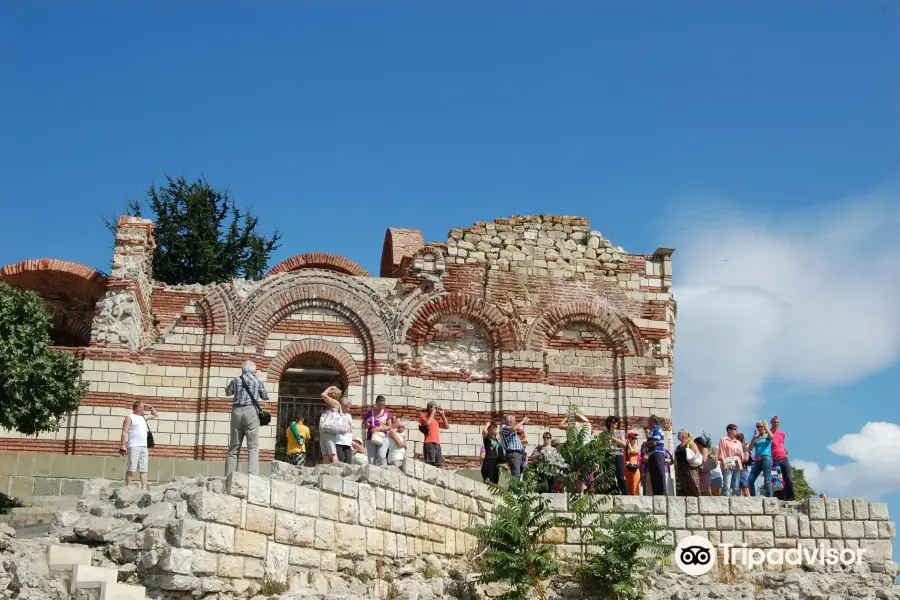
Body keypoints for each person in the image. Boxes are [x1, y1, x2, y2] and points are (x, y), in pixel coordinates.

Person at [225, 360, 270, 478]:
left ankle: (229, 476)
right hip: (251, 411)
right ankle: (253, 476)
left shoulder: (236, 380)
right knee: (253, 446)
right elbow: (265, 396)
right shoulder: (257, 381)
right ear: (253, 370)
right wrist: (256, 377)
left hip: (236, 411)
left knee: (234, 446)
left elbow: (228, 392)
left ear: (243, 369)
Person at [119, 401, 158, 489]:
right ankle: (128, 487)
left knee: (144, 468)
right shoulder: (130, 417)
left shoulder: (143, 417)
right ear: (138, 409)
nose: (144, 409)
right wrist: (123, 445)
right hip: (134, 446)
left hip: (144, 446)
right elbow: (124, 432)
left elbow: (155, 415)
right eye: (143, 407)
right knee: (131, 467)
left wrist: (150, 407)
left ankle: (144, 488)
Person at [318, 385, 347, 464]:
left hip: (329, 432)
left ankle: (336, 470)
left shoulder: (336, 403)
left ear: (332, 395)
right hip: (324, 431)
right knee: (325, 455)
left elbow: (323, 395)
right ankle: (325, 471)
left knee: (332, 453)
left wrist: (329, 387)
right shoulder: (330, 405)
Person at [770, 416, 795, 501]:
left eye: (778, 422)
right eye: (775, 422)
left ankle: (790, 497)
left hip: (784, 458)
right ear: (771, 423)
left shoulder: (782, 433)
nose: (776, 424)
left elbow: (781, 443)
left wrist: (784, 450)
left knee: (788, 477)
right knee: (776, 479)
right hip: (774, 459)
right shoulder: (768, 433)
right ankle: (780, 498)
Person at [364, 395, 393, 466]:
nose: (381, 407)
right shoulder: (369, 413)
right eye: (379, 405)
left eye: (383, 405)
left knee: (381, 456)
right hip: (371, 438)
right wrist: (366, 425)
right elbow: (363, 425)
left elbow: (390, 426)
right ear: (376, 404)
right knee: (371, 459)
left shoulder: (387, 413)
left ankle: (385, 474)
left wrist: (380, 429)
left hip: (383, 437)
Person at [748, 420, 774, 497]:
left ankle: (769, 497)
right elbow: (749, 449)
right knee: (750, 480)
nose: (759, 428)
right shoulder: (756, 437)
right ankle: (753, 497)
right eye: (758, 426)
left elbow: (772, 436)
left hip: (766, 458)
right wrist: (753, 439)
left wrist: (766, 428)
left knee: (767, 479)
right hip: (757, 460)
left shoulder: (767, 436)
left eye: (761, 426)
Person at [643, 415, 667, 496]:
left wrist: (645, 444)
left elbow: (654, 443)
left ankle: (662, 494)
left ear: (653, 421)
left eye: (649, 421)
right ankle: (656, 494)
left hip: (657, 454)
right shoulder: (652, 431)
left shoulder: (657, 429)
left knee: (659, 474)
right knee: (654, 475)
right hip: (652, 455)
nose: (648, 423)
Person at [419, 401, 449, 466]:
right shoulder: (423, 416)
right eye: (435, 408)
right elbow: (427, 423)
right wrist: (432, 412)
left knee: (438, 464)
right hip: (429, 443)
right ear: (430, 408)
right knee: (430, 464)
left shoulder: (436, 420)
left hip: (437, 444)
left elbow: (447, 426)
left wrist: (442, 414)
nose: (437, 410)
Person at [718, 424, 743, 497]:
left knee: (736, 485)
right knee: (727, 485)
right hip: (727, 462)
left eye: (736, 429)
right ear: (729, 430)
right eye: (734, 429)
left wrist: (740, 454)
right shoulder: (723, 439)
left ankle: (735, 500)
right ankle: (725, 501)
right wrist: (723, 464)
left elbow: (742, 456)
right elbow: (721, 453)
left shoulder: (738, 442)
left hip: (737, 462)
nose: (736, 430)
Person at [500, 414, 529, 479]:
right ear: (509, 421)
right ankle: (514, 489)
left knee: (518, 474)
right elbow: (513, 428)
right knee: (516, 475)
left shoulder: (513, 431)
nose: (515, 422)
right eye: (514, 420)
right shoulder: (505, 428)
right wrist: (523, 421)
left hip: (517, 454)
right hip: (513, 453)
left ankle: (516, 488)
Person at [674, 430, 702, 496]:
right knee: (684, 487)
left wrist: (693, 459)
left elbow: (697, 452)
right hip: (681, 469)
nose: (677, 435)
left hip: (690, 469)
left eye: (679, 433)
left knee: (693, 485)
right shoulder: (678, 446)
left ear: (685, 435)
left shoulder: (690, 443)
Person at [606, 416, 628, 495]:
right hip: (608, 455)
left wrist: (614, 439)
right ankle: (612, 492)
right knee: (609, 475)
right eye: (614, 422)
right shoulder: (605, 433)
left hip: (618, 454)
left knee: (620, 475)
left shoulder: (619, 432)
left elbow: (624, 444)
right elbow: (602, 446)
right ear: (609, 423)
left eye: (616, 422)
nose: (616, 423)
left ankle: (625, 493)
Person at [335, 397, 355, 463]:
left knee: (349, 461)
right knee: (341, 461)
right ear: (342, 405)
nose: (349, 408)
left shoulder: (349, 416)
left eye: (350, 406)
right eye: (348, 406)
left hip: (348, 443)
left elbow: (351, 428)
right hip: (339, 442)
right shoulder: (336, 415)